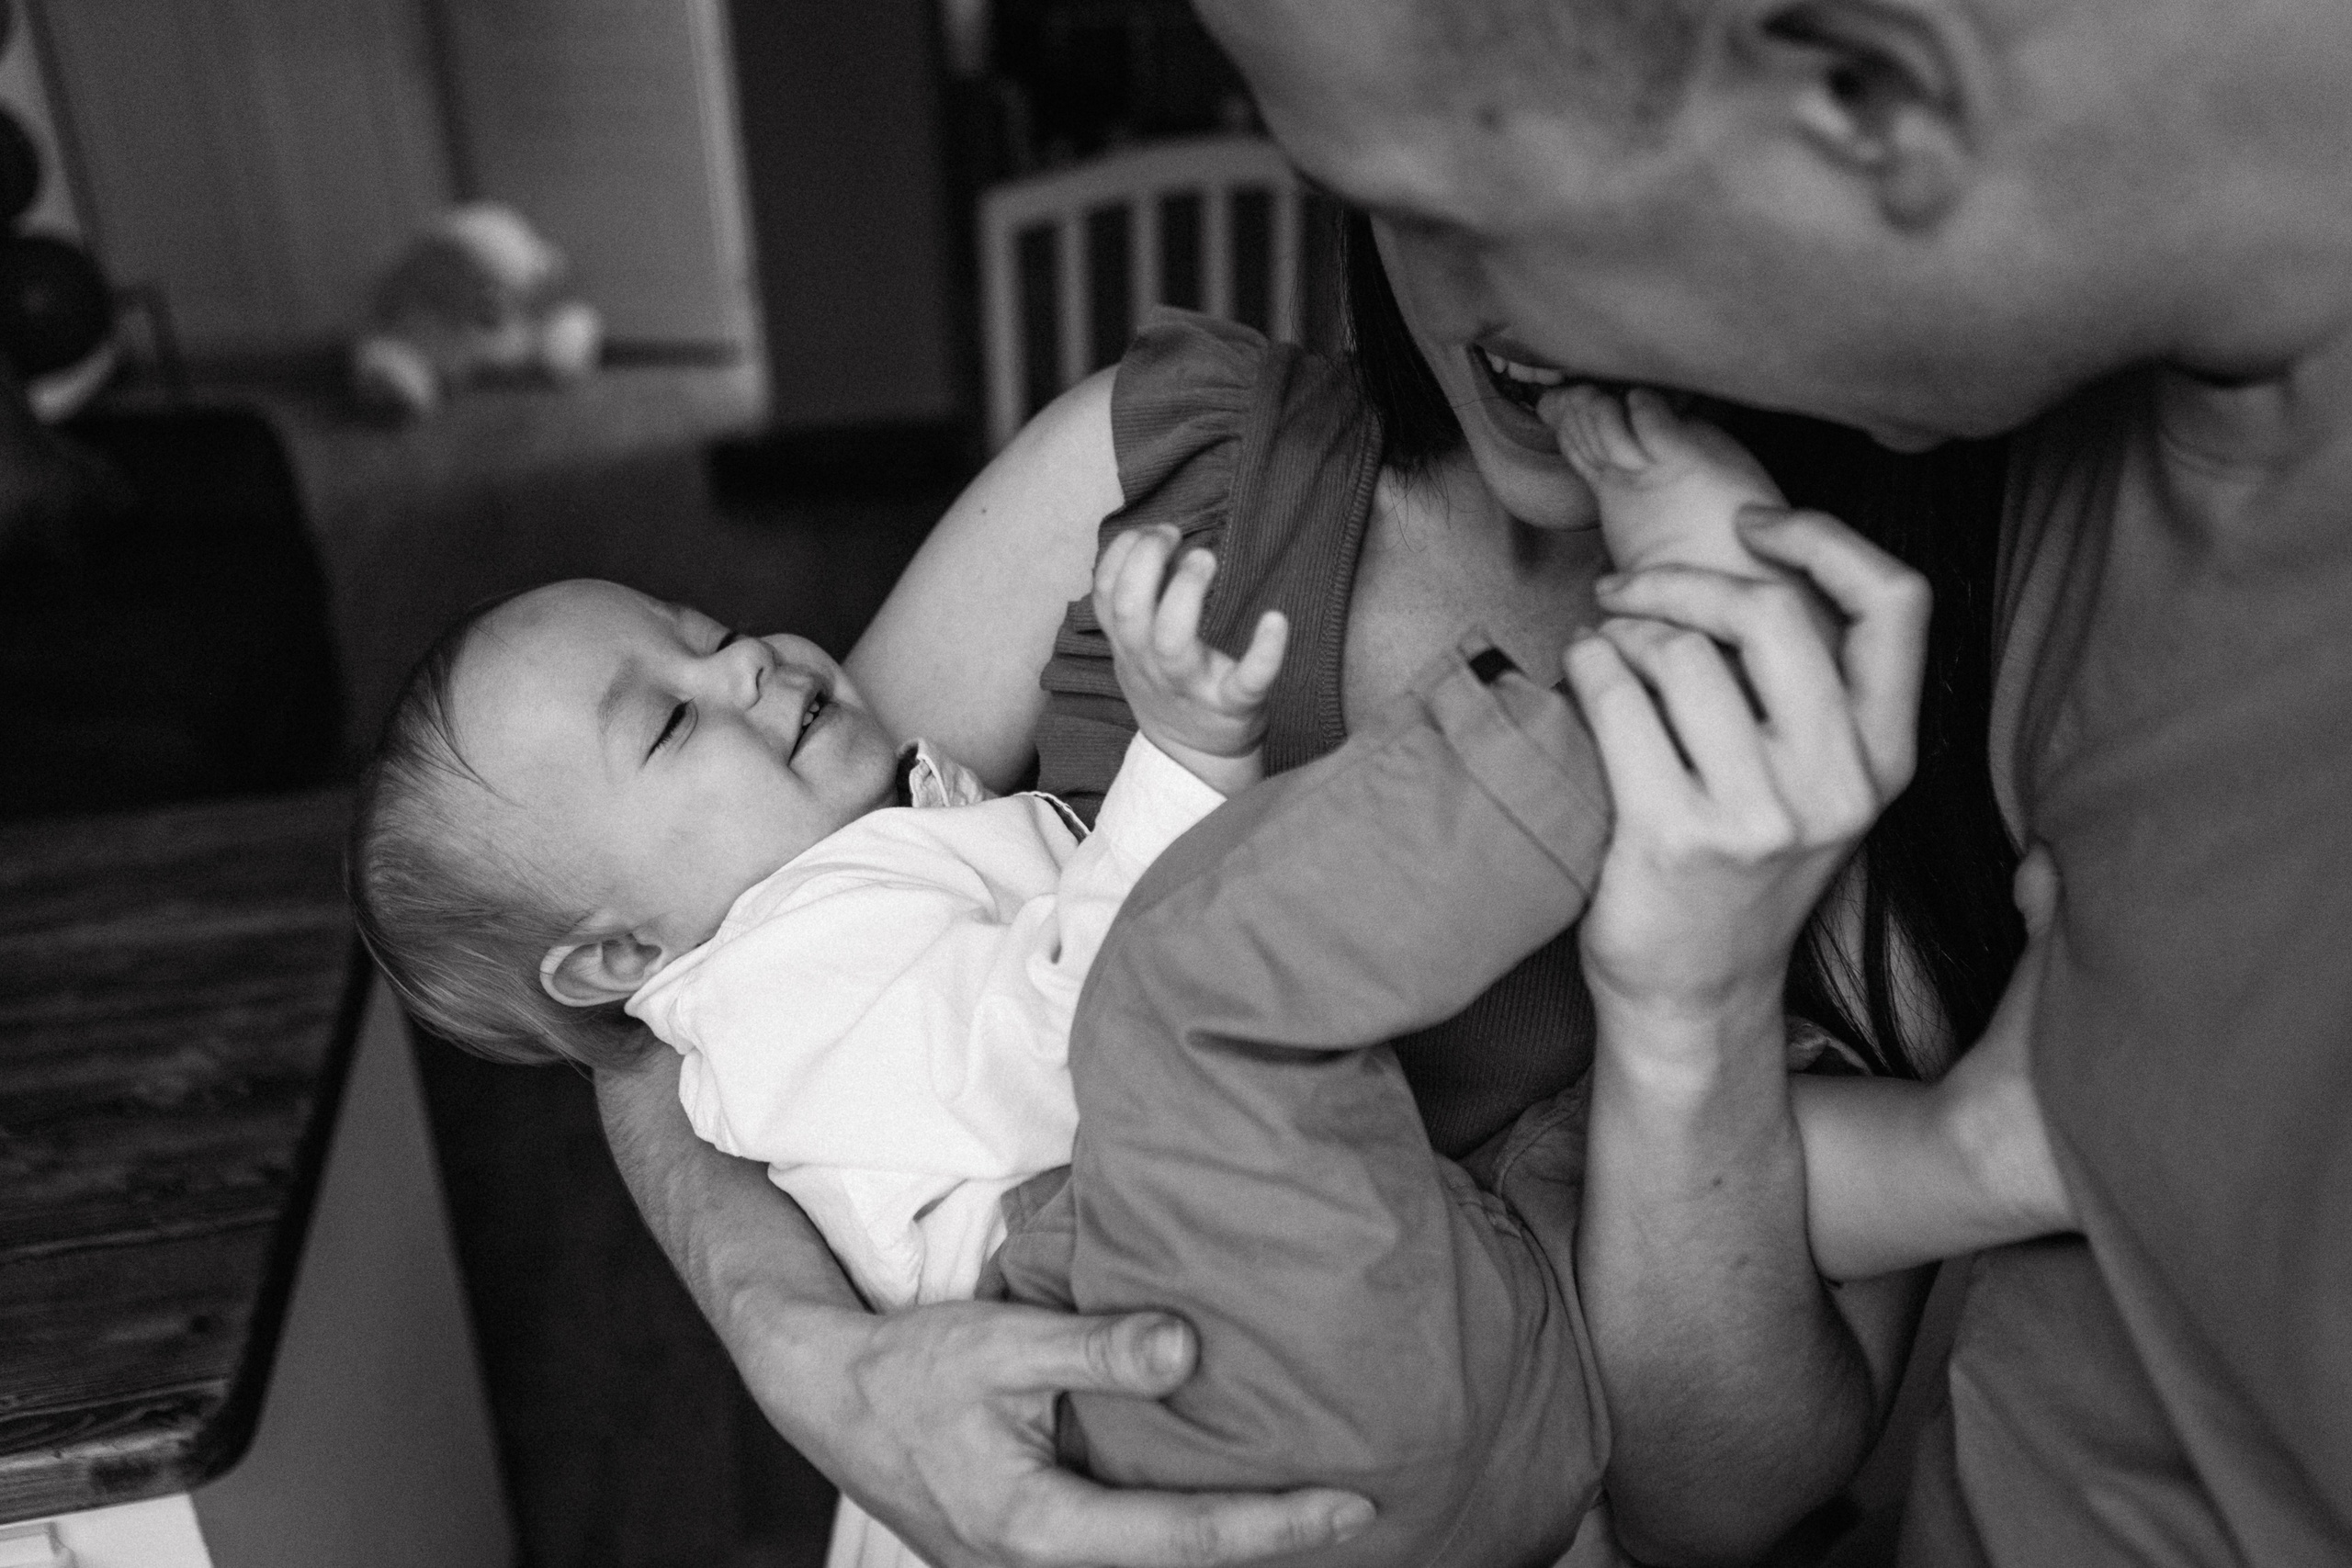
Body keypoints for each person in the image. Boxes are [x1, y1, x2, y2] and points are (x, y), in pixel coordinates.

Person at [594, 158, 2026, 1565]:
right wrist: (814, 1359)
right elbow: (699, 981)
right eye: (1440, 180)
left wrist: (1688, 1008)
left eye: (1612, 194)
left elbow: (1705, 1510)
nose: (1509, 289)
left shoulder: (1890, 682)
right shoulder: (1172, 464)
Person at [1174, 1, 2352, 1563]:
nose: (1445, 304)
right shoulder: (2055, 414)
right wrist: (800, 1327)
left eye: (1474, 216)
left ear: (1867, 98)